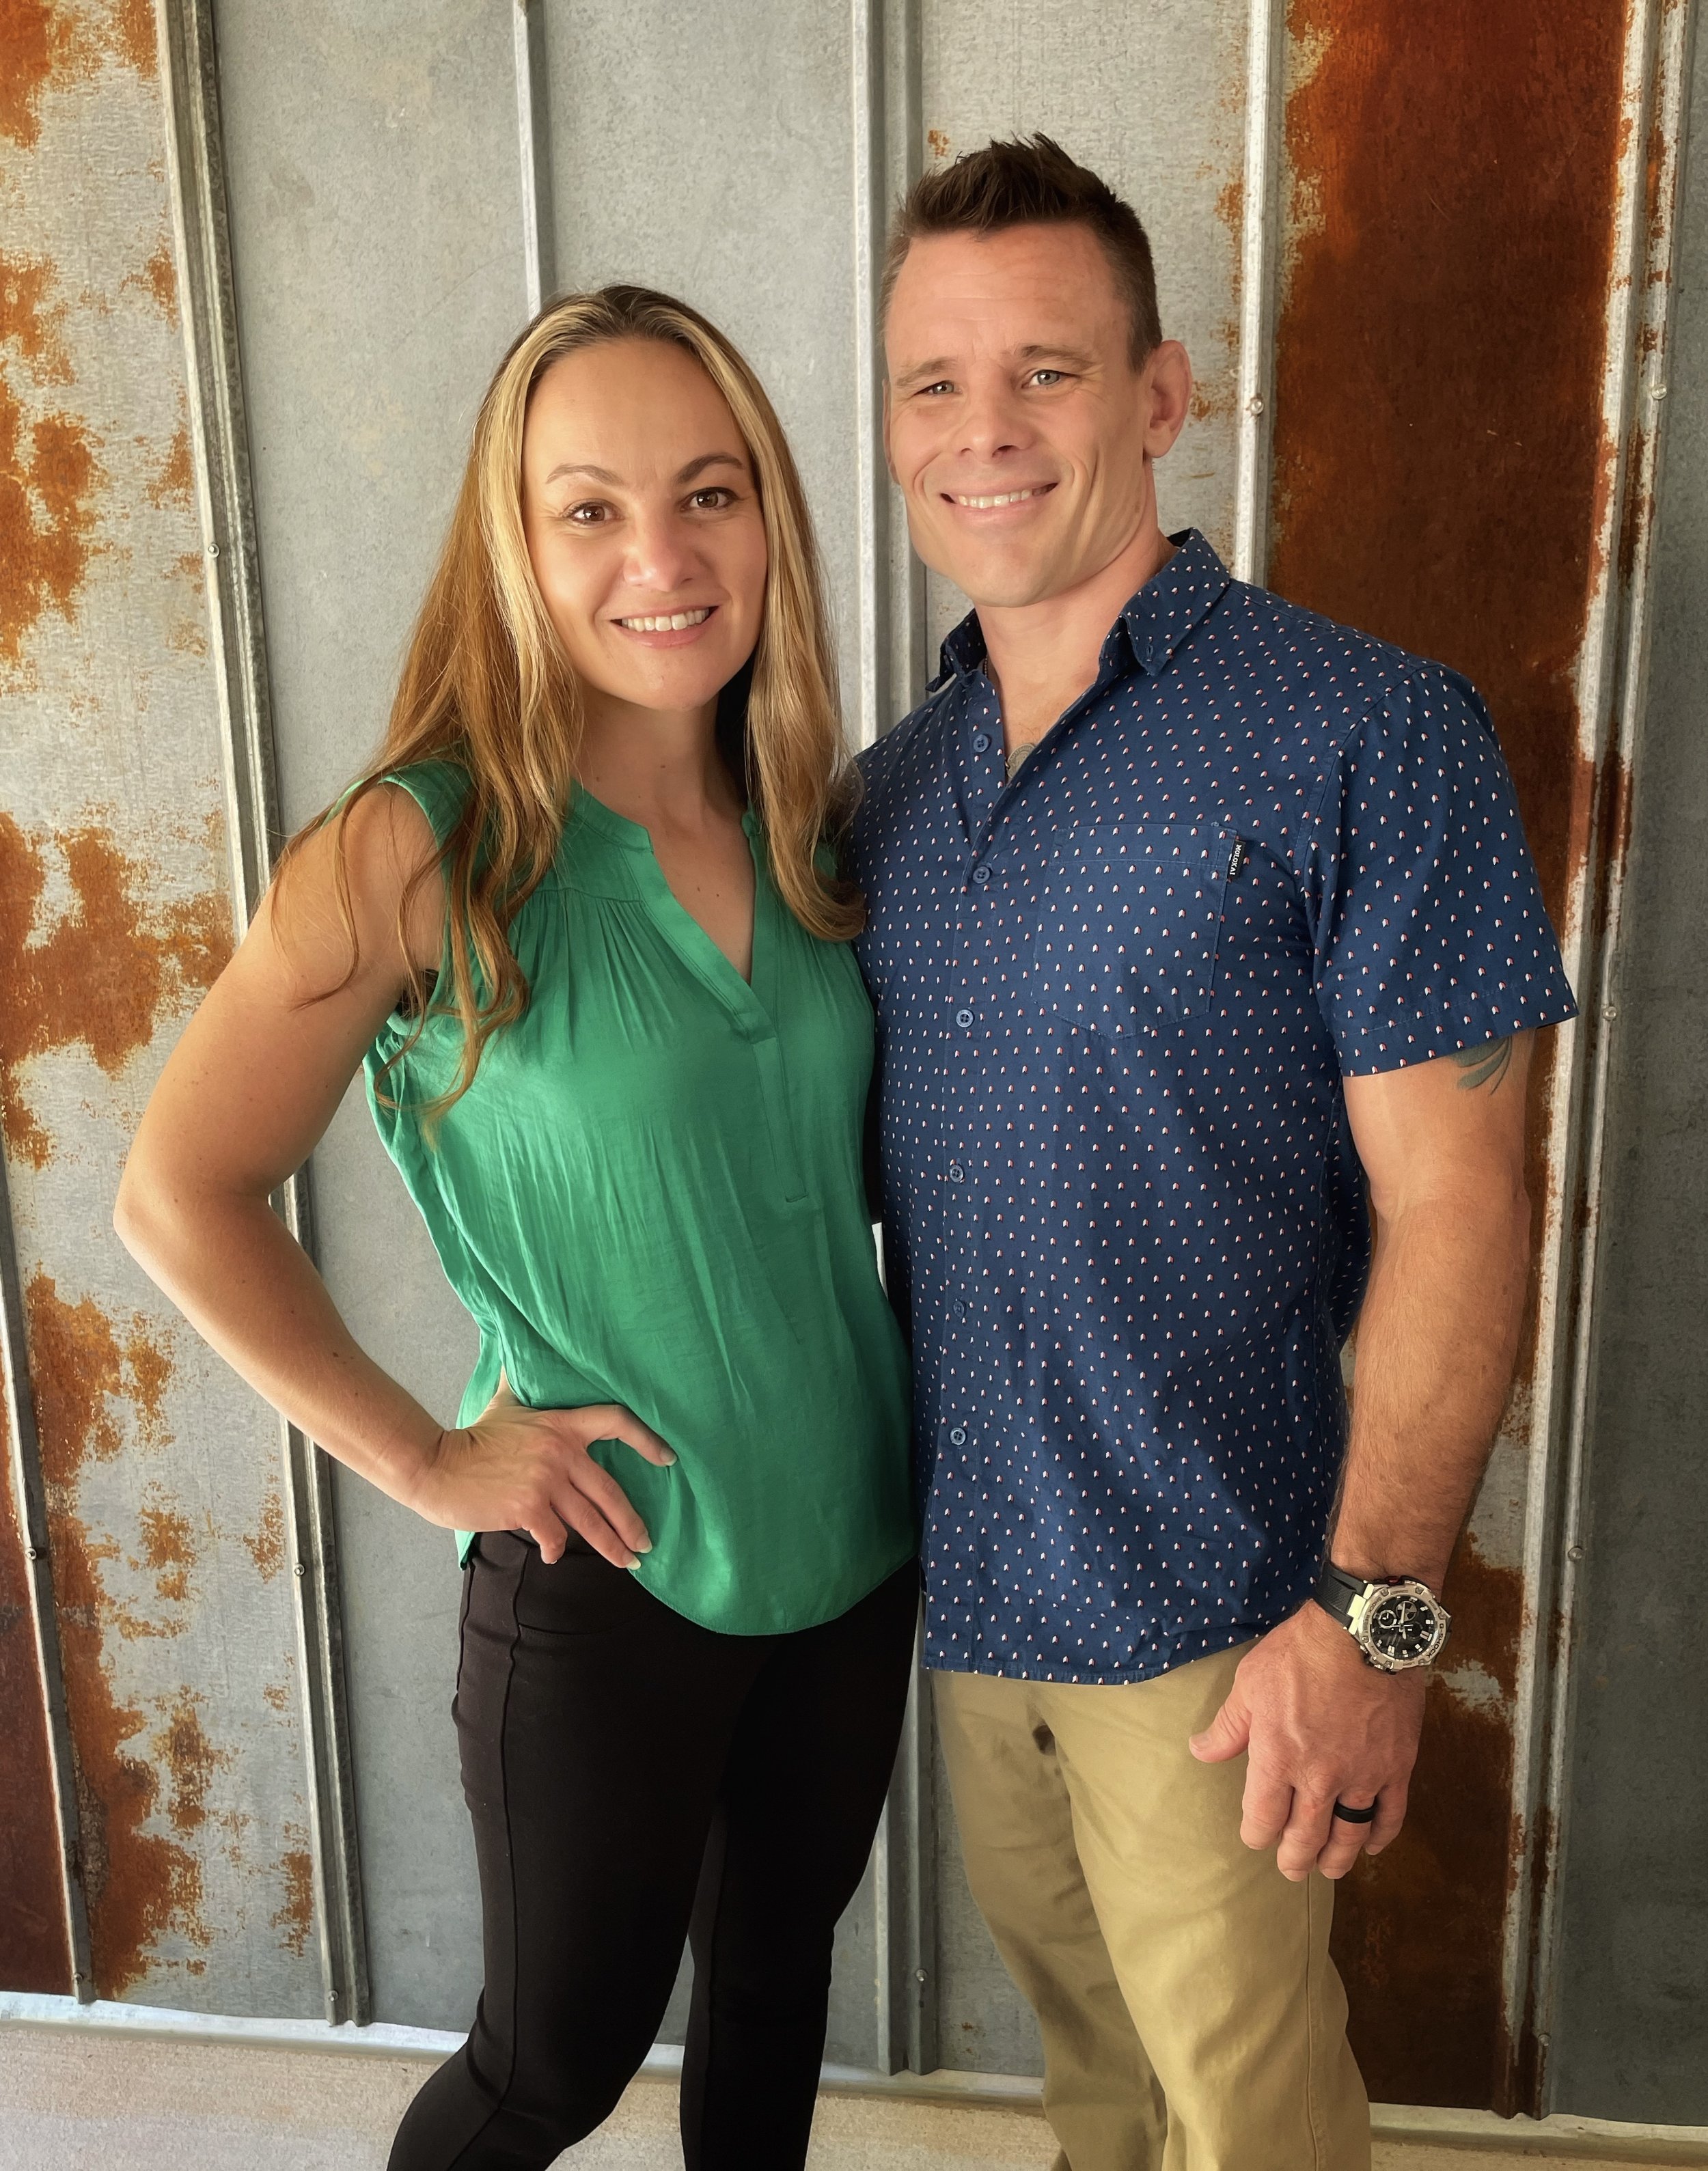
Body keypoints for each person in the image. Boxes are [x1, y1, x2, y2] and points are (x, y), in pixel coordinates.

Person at [115, 285, 918, 2171]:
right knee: (547, 2070)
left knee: (773, 1992)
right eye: (591, 509)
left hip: (856, 1541)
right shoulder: (419, 847)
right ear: (518, 544)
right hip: (609, 1562)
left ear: (769, 518)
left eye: (708, 492)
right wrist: (422, 1454)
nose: (662, 557)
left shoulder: (815, 824)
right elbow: (176, 1192)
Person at [847, 137, 1577, 2171]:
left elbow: (1462, 1206)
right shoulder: (881, 797)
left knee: (1252, 2128)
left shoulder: (1365, 732)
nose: (984, 431)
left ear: (1160, 395)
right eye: (932, 383)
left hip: (1231, 1623)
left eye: (1047, 371)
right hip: (973, 1609)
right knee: (1099, 2101)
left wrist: (1375, 1624)